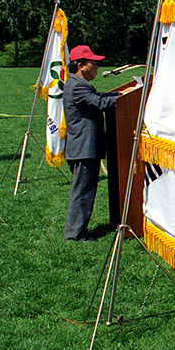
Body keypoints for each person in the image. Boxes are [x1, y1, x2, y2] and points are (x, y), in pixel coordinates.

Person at [63, 45, 119, 241]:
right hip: (83, 149)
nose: (96, 67)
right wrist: (126, 98)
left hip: (83, 148)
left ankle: (80, 230)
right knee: (82, 193)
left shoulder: (78, 83)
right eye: (93, 64)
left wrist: (119, 95)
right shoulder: (77, 85)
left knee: (85, 191)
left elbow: (99, 97)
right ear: (80, 65)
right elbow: (100, 103)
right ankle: (75, 235)